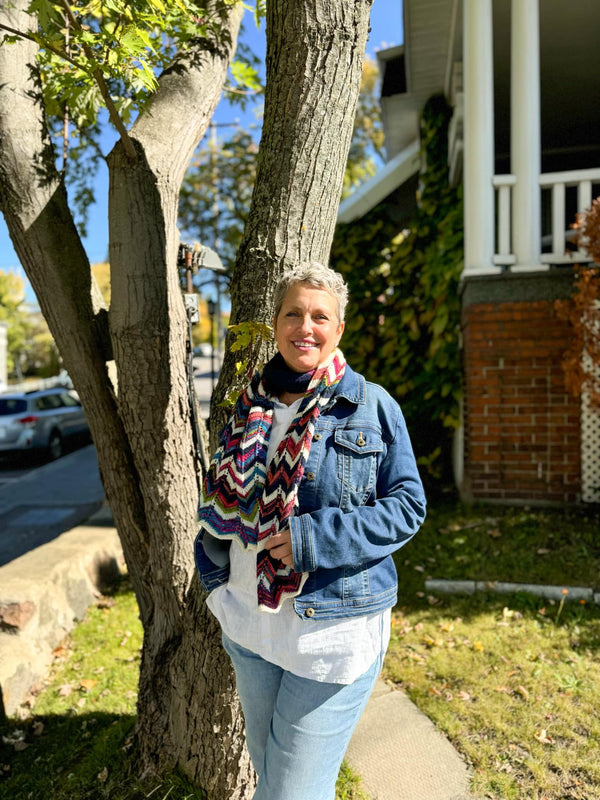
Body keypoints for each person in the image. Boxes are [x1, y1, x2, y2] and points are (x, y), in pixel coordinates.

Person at [195, 262, 426, 800]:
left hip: (330, 633)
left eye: (320, 316)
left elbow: (408, 506)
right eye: (294, 313)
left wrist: (309, 540)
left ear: (339, 328)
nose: (306, 327)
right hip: (248, 622)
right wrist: (214, 582)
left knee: (291, 792)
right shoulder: (250, 405)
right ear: (275, 324)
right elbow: (220, 502)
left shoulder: (369, 405)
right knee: (270, 775)